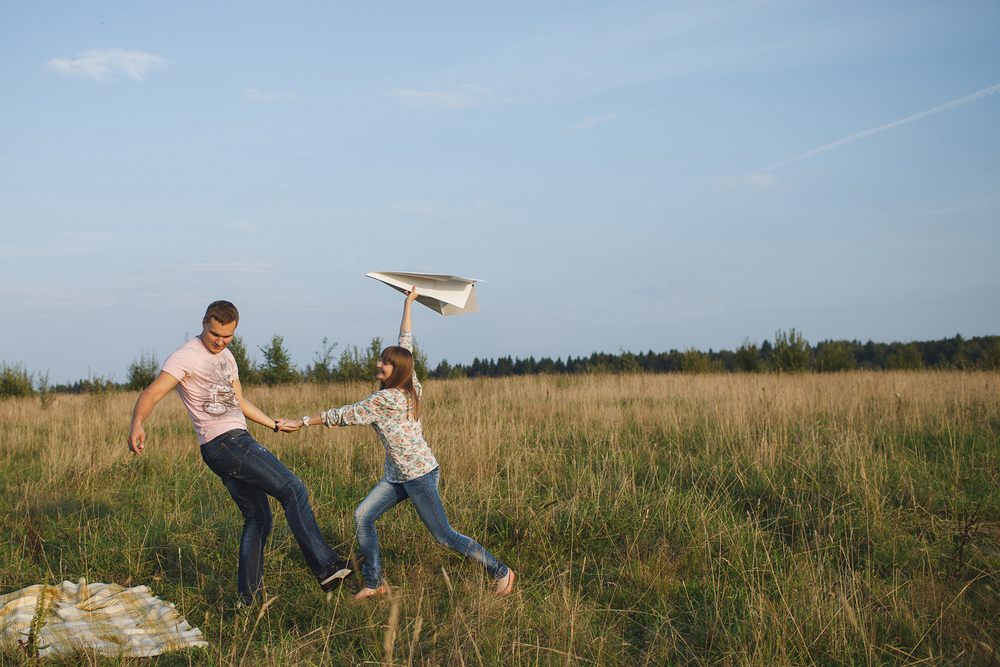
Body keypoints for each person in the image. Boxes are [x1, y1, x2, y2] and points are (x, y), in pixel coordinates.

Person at [280, 287, 515, 600]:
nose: (379, 366)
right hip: (399, 474)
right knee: (363, 516)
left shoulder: (385, 398)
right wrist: (408, 304)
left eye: (384, 364)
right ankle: (374, 582)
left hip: (417, 475)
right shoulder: (411, 382)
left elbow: (344, 414)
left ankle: (501, 571)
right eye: (380, 361)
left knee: (443, 535)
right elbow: (406, 342)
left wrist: (303, 421)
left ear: (397, 370)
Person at [127, 300, 363, 607]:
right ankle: (328, 566)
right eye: (215, 334)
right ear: (204, 323)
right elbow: (153, 392)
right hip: (224, 442)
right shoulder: (185, 356)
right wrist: (137, 423)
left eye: (227, 337)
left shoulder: (227, 357)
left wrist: (273, 424)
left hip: (232, 441)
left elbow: (239, 401)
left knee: (258, 518)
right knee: (293, 488)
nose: (220, 341)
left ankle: (248, 600)